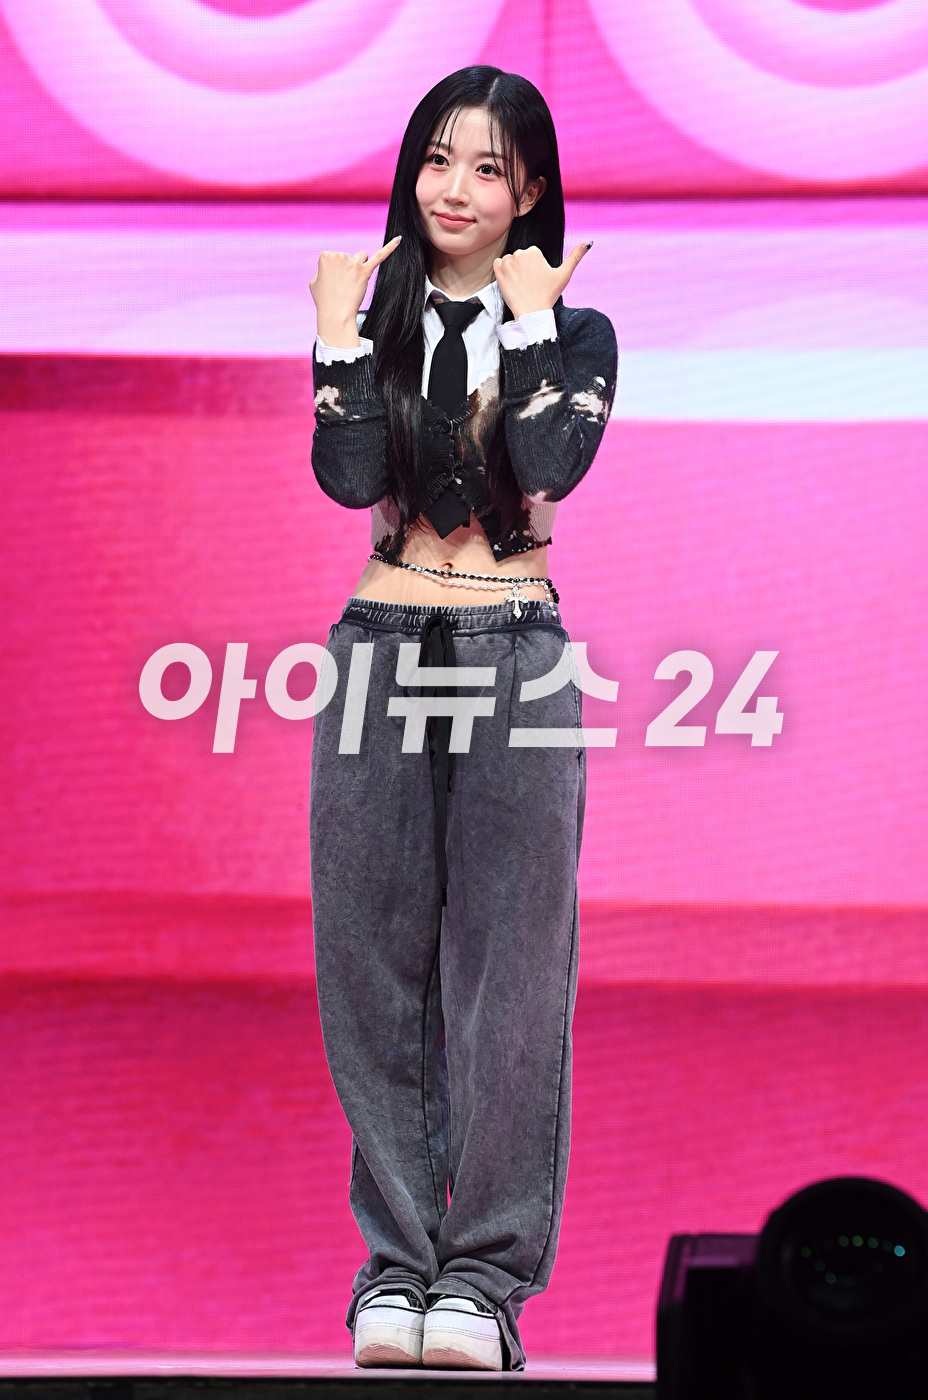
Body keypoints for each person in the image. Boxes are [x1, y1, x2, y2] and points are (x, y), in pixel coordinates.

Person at [307, 65, 617, 1373]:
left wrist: (532, 328)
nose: (456, 188)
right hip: (378, 647)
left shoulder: (579, 331)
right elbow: (350, 480)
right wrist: (335, 338)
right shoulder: (370, 319)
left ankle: (484, 1283)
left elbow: (548, 467)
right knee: (370, 969)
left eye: (489, 167)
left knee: (511, 977)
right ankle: (396, 1269)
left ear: (530, 190)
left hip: (515, 652)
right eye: (439, 159)